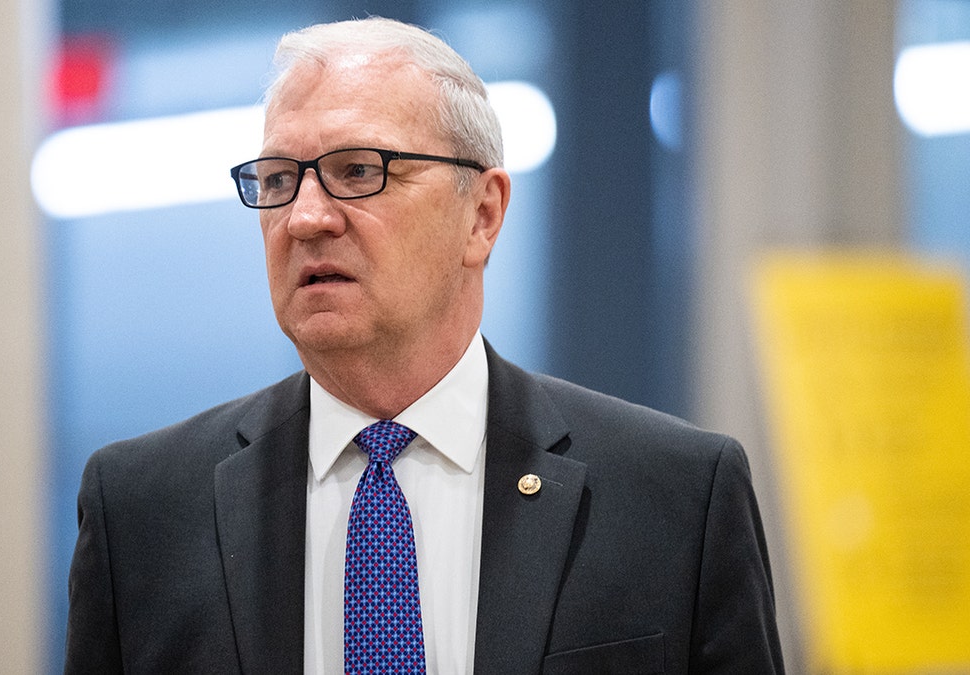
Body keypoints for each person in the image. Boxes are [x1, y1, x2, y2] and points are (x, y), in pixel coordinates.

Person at [64, 16, 784, 674]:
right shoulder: (143, 509)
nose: (306, 217)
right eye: (280, 180)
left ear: (482, 214)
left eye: (357, 171)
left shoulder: (677, 497)